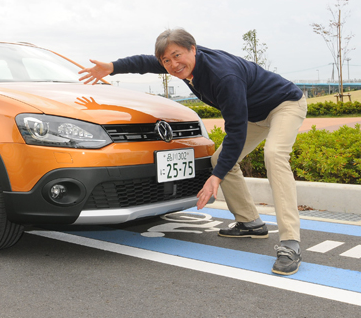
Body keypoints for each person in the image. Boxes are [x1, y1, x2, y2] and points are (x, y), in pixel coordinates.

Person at [78, 28, 307, 276]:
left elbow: (236, 132)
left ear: (193, 49)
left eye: (177, 56)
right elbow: (147, 62)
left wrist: (215, 179)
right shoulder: (184, 65)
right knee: (221, 160)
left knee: (274, 155)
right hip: (254, 114)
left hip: (284, 104)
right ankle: (250, 222)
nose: (174, 65)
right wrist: (112, 67)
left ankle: (290, 243)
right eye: (167, 60)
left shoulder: (223, 75)